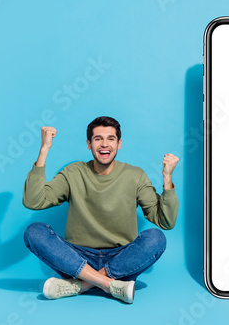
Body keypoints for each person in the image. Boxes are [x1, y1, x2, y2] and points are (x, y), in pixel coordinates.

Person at [22, 116, 179, 304]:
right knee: (34, 232)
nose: (105, 144)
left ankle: (81, 285)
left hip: (121, 258)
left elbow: (165, 222)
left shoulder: (135, 175)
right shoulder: (73, 172)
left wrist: (167, 178)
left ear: (119, 144)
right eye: (98, 139)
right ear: (89, 144)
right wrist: (44, 149)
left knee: (156, 238)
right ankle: (111, 285)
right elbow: (33, 201)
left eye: (111, 138)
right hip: (77, 259)